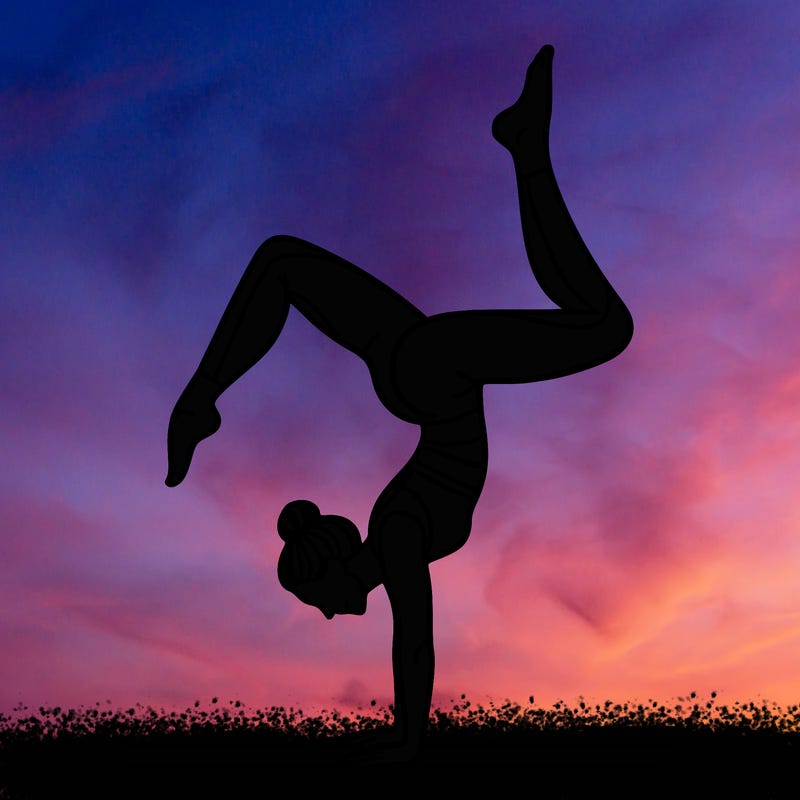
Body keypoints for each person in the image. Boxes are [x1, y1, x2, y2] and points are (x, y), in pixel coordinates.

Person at [165, 44, 633, 763]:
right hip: (422, 380)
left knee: (605, 327)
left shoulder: (401, 534)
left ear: (338, 570)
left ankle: (525, 151)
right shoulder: (395, 529)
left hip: (437, 379)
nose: (326, 613)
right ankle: (200, 400)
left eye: (316, 599)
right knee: (283, 263)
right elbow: (409, 630)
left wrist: (409, 745)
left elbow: (413, 639)